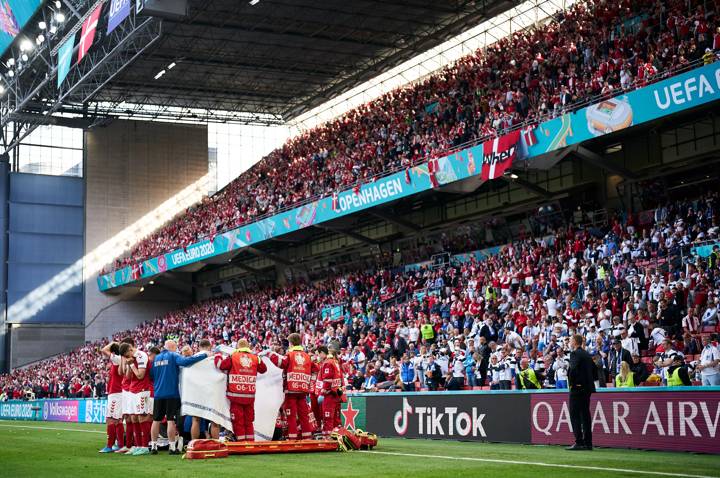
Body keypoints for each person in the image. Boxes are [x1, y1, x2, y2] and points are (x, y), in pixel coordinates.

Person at [148, 339, 207, 455]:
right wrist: (204, 355)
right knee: (170, 420)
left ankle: (154, 446)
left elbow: (151, 376)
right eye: (176, 347)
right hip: (171, 394)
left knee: (156, 420)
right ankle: (172, 447)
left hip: (158, 394)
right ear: (173, 347)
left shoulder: (156, 359)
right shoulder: (173, 355)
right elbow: (185, 362)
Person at [263, 333, 316, 440]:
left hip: (291, 390)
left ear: (291, 343)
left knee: (291, 416)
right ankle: (307, 439)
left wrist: (270, 354)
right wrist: (310, 383)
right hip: (303, 390)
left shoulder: (290, 354)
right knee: (303, 416)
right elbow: (316, 368)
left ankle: (292, 439)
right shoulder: (307, 356)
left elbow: (281, 363)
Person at [215, 338, 267, 441]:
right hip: (250, 396)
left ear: (238, 346)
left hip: (236, 395)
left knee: (238, 421)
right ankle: (250, 444)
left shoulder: (233, 356)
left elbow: (220, 365)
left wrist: (217, 355)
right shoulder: (255, 358)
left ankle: (242, 443)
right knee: (249, 421)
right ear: (248, 346)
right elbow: (264, 369)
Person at [119, 342, 155, 456]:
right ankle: (138, 445)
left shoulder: (141, 356)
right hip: (133, 390)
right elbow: (128, 377)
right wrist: (129, 365)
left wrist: (132, 365)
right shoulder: (131, 358)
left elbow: (140, 375)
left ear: (130, 349)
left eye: (126, 355)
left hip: (143, 390)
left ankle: (145, 446)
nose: (126, 358)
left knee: (142, 418)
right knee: (134, 418)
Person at [567, 333, 596, 451]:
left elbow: (572, 370)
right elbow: (594, 369)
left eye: (570, 340)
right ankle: (588, 442)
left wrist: (573, 383)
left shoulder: (575, 353)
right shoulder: (587, 354)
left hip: (577, 389)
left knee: (575, 415)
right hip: (587, 389)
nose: (569, 342)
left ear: (575, 342)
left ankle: (579, 441)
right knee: (585, 415)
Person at [99, 342, 124, 453]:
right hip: (116, 393)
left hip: (116, 394)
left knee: (111, 419)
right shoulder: (118, 360)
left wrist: (113, 343)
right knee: (117, 420)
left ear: (113, 352)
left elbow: (103, 350)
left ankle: (110, 445)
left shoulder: (117, 359)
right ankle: (119, 444)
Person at [318, 343, 344, 436]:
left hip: (330, 393)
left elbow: (328, 379)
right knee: (336, 417)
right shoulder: (335, 362)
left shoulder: (328, 362)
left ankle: (328, 437)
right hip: (337, 392)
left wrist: (324, 390)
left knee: (328, 416)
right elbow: (340, 378)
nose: (319, 356)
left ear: (322, 353)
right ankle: (338, 435)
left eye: (319, 354)